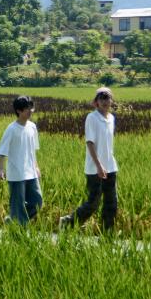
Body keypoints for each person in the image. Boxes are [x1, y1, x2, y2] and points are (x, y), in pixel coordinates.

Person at [63, 87, 117, 230]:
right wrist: (98, 165)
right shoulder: (92, 118)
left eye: (107, 98)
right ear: (96, 102)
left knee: (111, 203)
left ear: (111, 101)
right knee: (93, 203)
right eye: (101, 98)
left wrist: (106, 165)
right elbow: (90, 143)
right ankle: (68, 222)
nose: (105, 101)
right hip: (95, 169)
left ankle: (107, 234)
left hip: (111, 166)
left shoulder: (111, 118)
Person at [0, 95, 42, 226]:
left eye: (31, 108)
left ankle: (13, 219)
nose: (30, 111)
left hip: (31, 172)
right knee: (18, 204)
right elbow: (2, 150)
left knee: (37, 202)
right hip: (17, 173)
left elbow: (32, 150)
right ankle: (19, 229)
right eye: (27, 108)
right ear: (18, 111)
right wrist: (1, 169)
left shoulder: (32, 127)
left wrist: (36, 166)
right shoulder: (11, 129)